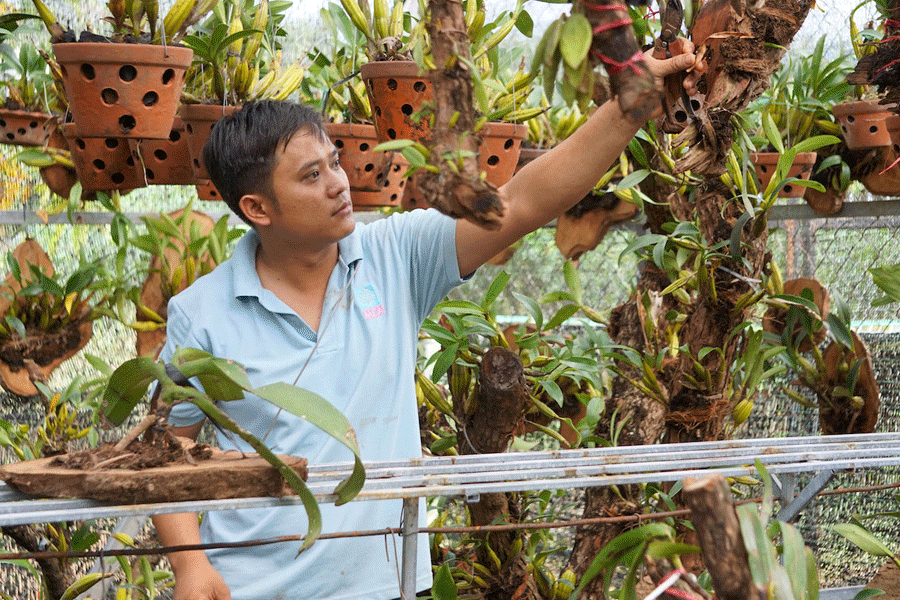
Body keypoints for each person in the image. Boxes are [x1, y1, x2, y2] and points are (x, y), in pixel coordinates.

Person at [152, 41, 700, 600]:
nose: (339, 183)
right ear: (257, 208)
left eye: (335, 162)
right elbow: (166, 448)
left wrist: (629, 107)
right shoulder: (202, 313)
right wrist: (190, 568)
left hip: (386, 583)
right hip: (251, 586)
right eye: (311, 175)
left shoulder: (397, 256)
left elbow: (522, 201)